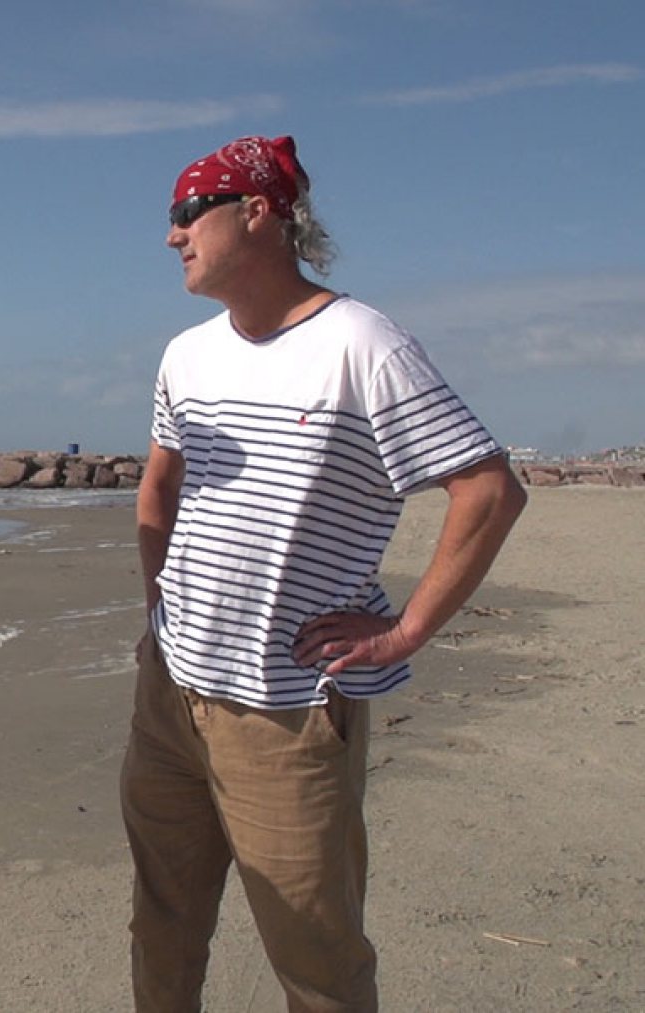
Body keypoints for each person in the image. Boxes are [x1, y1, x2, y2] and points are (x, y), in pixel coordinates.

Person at [120, 135, 527, 1012]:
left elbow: (488, 490)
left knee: (317, 955)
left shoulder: (362, 344)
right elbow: (162, 481)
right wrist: (162, 604)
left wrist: (404, 630)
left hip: (289, 708)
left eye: (190, 211)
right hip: (171, 692)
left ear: (259, 212)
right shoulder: (186, 355)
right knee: (163, 924)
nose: (171, 235)